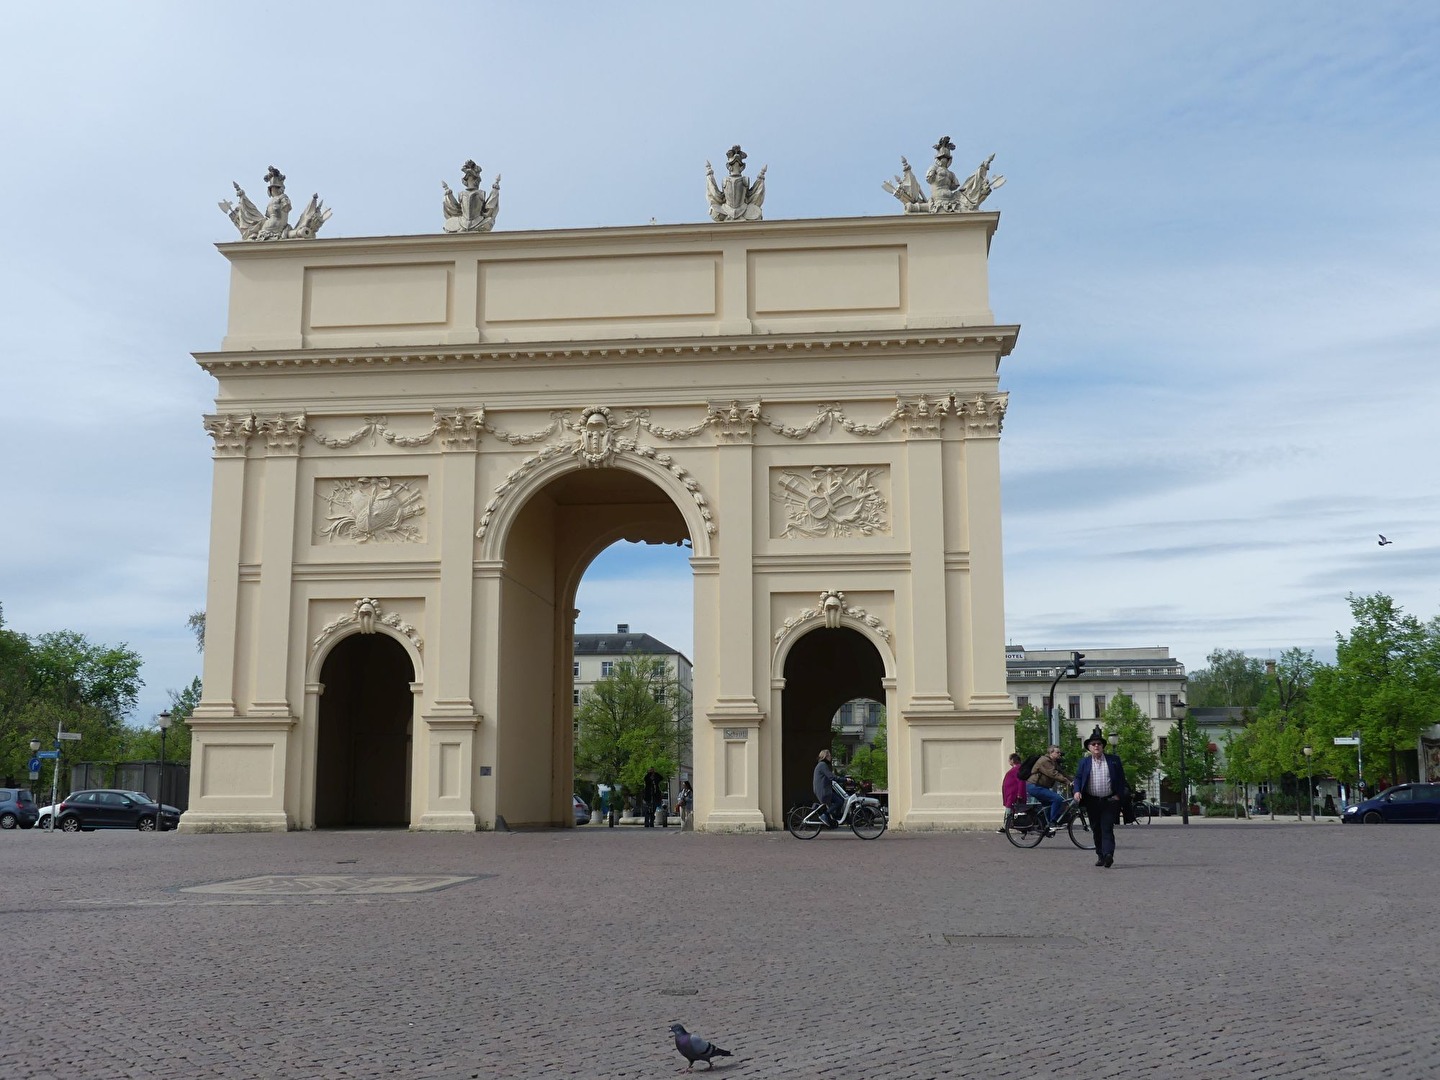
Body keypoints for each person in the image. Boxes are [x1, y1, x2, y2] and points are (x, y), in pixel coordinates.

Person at [1072, 726, 1129, 869]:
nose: (1096, 746)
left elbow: (1121, 780)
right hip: (1092, 800)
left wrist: (1118, 795)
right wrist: (1077, 791)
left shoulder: (1113, 760)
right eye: (1093, 744)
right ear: (1089, 748)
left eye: (1099, 744)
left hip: (1109, 800)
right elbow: (1078, 778)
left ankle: (1109, 854)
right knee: (1096, 828)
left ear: (1103, 746)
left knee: (1107, 827)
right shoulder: (1084, 762)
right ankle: (1100, 855)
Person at [1026, 745, 1071, 830]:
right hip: (1034, 786)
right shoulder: (1045, 761)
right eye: (1057, 752)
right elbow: (1053, 774)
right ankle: (1052, 823)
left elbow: (1063, 773)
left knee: (1049, 805)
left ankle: (1045, 826)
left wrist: (1074, 781)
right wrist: (1068, 783)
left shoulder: (1053, 762)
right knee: (1057, 799)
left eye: (1060, 752)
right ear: (1051, 753)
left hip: (1041, 787)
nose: (1059, 754)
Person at [813, 749, 845, 826]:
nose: (831, 757)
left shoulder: (821, 765)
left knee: (840, 799)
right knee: (840, 801)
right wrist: (844, 779)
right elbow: (831, 776)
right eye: (830, 755)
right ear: (825, 756)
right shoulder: (822, 765)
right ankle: (826, 815)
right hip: (824, 792)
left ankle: (834, 816)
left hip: (823, 790)